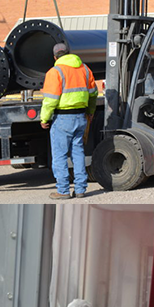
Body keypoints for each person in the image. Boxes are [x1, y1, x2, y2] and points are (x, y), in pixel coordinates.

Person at [40, 43, 98, 200]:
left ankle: (63, 190)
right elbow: (93, 94)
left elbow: (50, 100)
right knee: (78, 152)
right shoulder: (85, 69)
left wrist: (44, 118)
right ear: (69, 53)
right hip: (80, 117)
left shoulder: (55, 72)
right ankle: (80, 189)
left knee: (59, 155)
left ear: (55, 57)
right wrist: (90, 112)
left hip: (63, 119)